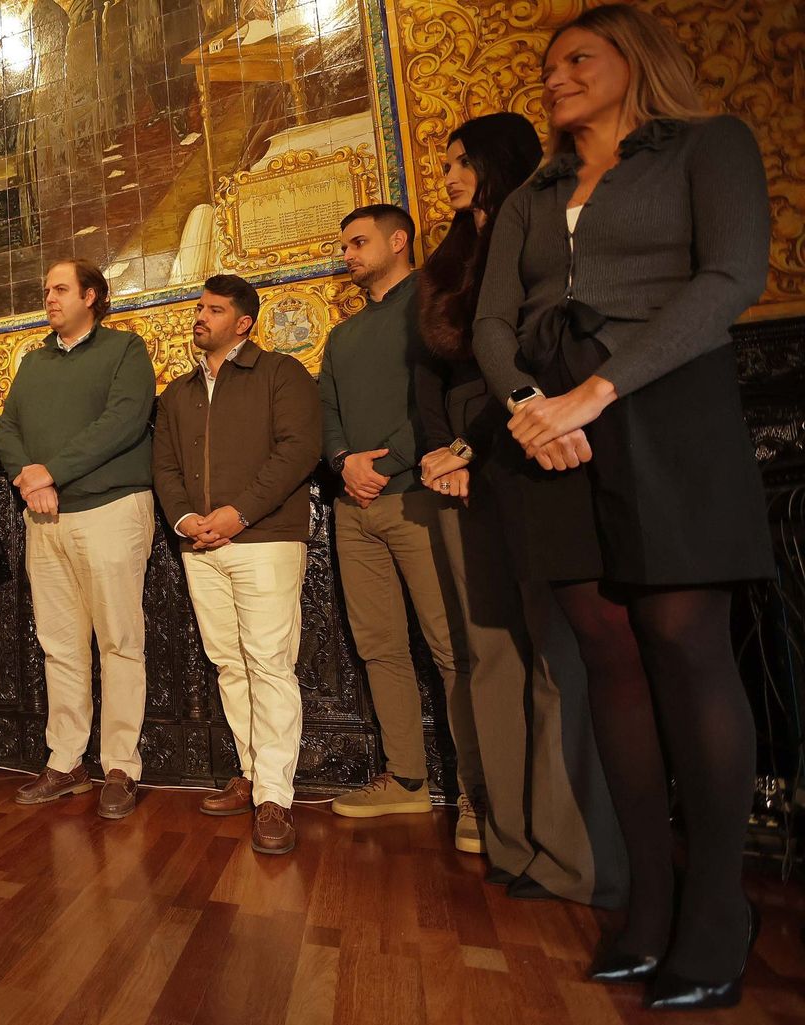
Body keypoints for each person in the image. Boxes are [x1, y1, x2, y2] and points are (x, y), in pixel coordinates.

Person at [473, 5, 771, 1008]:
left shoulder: (706, 144)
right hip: (546, 429)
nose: (553, 77)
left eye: (576, 59)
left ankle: (718, 906)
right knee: (606, 653)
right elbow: (490, 323)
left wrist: (595, 393)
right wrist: (529, 410)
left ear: (633, 62)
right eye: (548, 64)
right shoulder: (531, 193)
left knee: (683, 641)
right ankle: (649, 900)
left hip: (665, 401)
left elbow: (729, 277)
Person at [416, 112, 627, 905]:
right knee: (488, 657)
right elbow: (426, 376)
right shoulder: (449, 256)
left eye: (462, 161)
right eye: (444, 164)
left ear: (499, 162)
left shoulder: (543, 228)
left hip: (530, 442)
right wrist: (441, 451)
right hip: (456, 464)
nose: (448, 176)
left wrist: (477, 442)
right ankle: (511, 842)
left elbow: (542, 351)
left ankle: (574, 856)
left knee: (556, 654)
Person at [318, 204, 480, 839]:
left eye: (359, 242)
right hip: (352, 505)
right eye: (346, 244)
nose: (349, 254)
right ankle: (408, 779)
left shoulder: (432, 306)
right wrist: (343, 462)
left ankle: (478, 795)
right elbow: (326, 407)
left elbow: (437, 400)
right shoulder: (342, 335)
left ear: (399, 240)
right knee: (379, 645)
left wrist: (389, 463)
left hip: (419, 494)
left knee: (450, 646)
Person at [152, 274, 321, 854]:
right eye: (199, 308)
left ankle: (275, 797)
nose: (200, 316)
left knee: (270, 663)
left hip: (265, 539)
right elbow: (165, 469)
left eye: (213, 309)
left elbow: (299, 449)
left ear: (243, 323)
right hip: (199, 544)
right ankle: (251, 776)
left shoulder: (280, 374)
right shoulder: (177, 393)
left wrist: (238, 514)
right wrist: (185, 520)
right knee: (229, 663)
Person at [0, 258, 156, 819]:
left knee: (118, 643)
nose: (50, 298)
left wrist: (50, 471)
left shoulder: (124, 351)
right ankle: (67, 763)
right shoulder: (34, 363)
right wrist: (26, 477)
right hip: (44, 520)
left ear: (92, 296)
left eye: (61, 289)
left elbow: (124, 422)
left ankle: (120, 765)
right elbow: (8, 429)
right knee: (60, 647)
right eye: (46, 290)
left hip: (111, 510)